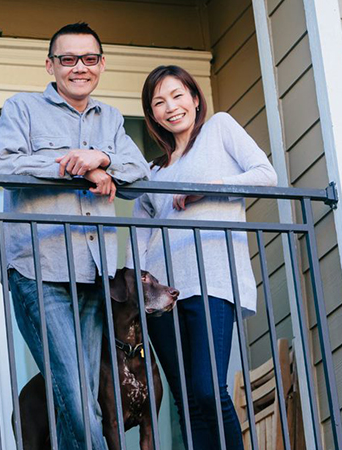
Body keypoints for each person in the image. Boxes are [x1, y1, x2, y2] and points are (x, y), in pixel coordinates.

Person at [0, 22, 149, 450]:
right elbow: (6, 168)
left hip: (94, 273)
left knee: (87, 402)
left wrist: (101, 156)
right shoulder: (21, 109)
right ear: (51, 65)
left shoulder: (111, 119)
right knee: (77, 398)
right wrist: (80, 166)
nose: (79, 67)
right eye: (68, 59)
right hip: (40, 269)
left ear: (101, 64)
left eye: (89, 58)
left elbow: (137, 171)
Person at [129, 65, 278, 450]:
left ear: (195, 98)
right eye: (159, 102)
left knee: (209, 389)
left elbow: (265, 175)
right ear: (153, 115)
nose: (170, 107)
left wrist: (206, 189)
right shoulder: (153, 172)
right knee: (186, 402)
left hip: (212, 279)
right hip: (164, 295)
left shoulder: (219, 129)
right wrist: (142, 287)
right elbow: (141, 234)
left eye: (178, 95)